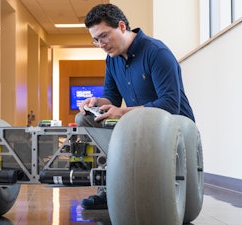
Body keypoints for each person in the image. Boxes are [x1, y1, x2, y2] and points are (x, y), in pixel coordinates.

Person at [76, 3, 195, 210]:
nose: (101, 44)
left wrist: (122, 112)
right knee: (84, 118)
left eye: (104, 36)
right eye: (95, 39)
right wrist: (96, 103)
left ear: (122, 26)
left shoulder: (156, 52)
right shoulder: (112, 60)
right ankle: (108, 187)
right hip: (137, 125)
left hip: (172, 125)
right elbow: (111, 97)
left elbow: (170, 105)